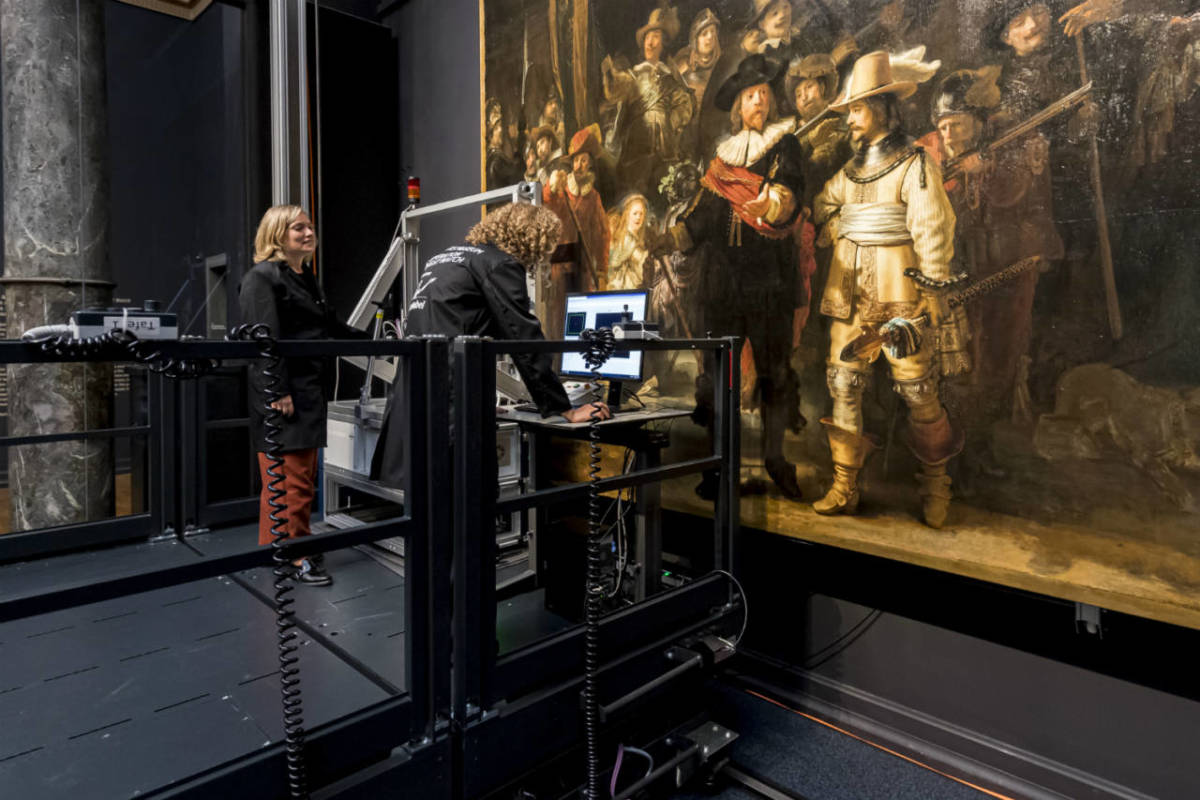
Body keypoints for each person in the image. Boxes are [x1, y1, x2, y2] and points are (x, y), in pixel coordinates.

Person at [811, 51, 968, 528]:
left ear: (881, 107)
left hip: (901, 289)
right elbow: (823, 203)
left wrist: (934, 289)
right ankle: (844, 486)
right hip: (848, 291)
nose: (851, 121)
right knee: (843, 384)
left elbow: (934, 227)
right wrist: (843, 222)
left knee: (918, 388)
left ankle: (936, 484)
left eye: (857, 110)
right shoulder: (852, 171)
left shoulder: (915, 162)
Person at [371, 204, 611, 489]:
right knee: (468, 503)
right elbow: (523, 336)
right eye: (546, 246)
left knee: (429, 503)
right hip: (454, 407)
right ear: (532, 238)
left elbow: (459, 323)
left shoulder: (444, 258)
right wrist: (564, 408)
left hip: (418, 395)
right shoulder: (500, 263)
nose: (544, 255)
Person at [661, 53, 806, 499]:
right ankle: (717, 465)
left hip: (769, 282)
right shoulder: (722, 158)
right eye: (749, 95)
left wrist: (773, 205)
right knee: (718, 377)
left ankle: (776, 460)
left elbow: (792, 193)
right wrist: (672, 236)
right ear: (738, 106)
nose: (758, 100)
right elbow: (703, 217)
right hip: (722, 284)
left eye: (764, 93)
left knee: (775, 373)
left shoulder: (785, 146)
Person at [239, 205, 368, 586]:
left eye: (310, 226)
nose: (308, 233)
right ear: (277, 233)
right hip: (286, 394)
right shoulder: (262, 278)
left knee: (290, 477)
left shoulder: (304, 277)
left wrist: (380, 341)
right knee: (290, 480)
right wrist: (277, 392)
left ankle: (273, 549)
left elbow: (329, 328)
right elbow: (265, 339)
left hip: (308, 391)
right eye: (298, 228)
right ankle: (295, 557)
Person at [607, 194, 652, 290]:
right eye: (635, 213)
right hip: (621, 288)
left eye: (641, 214)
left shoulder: (638, 239)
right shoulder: (627, 238)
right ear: (627, 215)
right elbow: (615, 262)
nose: (638, 217)